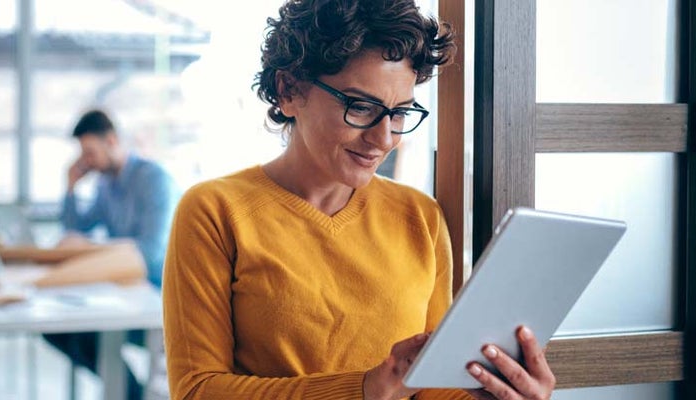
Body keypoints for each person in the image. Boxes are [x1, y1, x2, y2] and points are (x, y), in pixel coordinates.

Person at [162, 1, 557, 400]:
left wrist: (496, 393)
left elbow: (429, 389)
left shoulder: (420, 217)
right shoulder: (215, 211)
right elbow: (197, 390)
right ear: (289, 90)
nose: (384, 139)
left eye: (400, 113)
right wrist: (364, 390)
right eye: (361, 107)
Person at [46, 109, 179, 400]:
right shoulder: (106, 186)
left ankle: (129, 394)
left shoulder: (153, 179)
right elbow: (73, 231)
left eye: (90, 152)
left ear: (112, 140)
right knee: (56, 329)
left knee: (83, 331)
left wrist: (91, 248)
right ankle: (129, 392)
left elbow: (152, 254)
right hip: (124, 295)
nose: (87, 162)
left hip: (159, 301)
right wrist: (70, 187)